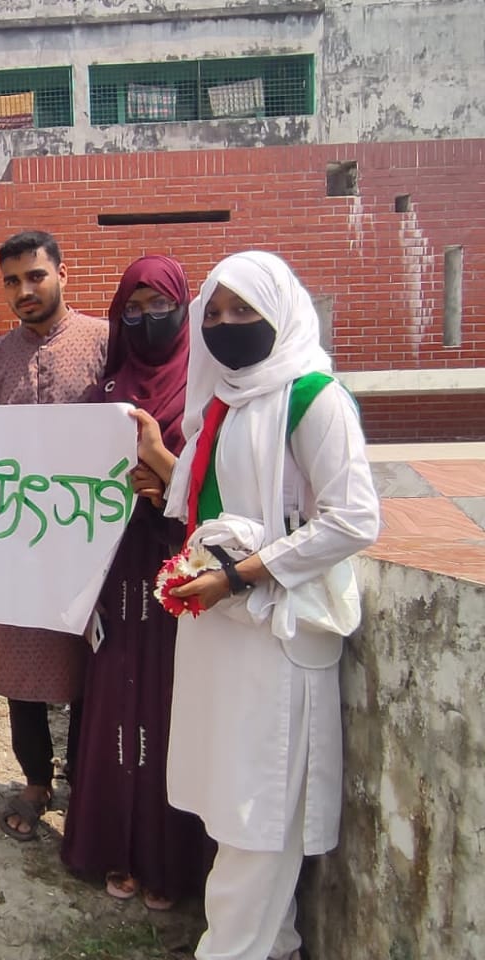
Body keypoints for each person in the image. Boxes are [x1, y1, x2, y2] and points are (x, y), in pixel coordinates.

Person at [131, 251, 380, 960]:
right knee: (228, 798)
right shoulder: (226, 402)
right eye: (215, 313)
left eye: (245, 312)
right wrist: (162, 459)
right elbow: (225, 501)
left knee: (256, 809)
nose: (227, 326)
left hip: (273, 631)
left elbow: (354, 520)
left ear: (282, 313)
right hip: (224, 629)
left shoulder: (311, 397)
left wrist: (240, 576)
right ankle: (271, 946)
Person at [60, 256, 209, 909]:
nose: (147, 317)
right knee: (114, 709)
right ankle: (114, 849)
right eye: (134, 305)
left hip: (181, 580)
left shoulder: (206, 394)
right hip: (115, 576)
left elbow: (218, 492)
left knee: (171, 713)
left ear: (184, 309)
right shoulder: (106, 391)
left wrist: (163, 472)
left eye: (160, 303)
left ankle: (168, 861)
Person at [0, 230, 108, 841]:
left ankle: (88, 786)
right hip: (18, 541)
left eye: (35, 277)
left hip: (93, 541)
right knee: (23, 662)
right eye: (12, 281)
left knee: (90, 663)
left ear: (62, 274)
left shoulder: (105, 342)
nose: (24, 290)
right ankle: (35, 780)